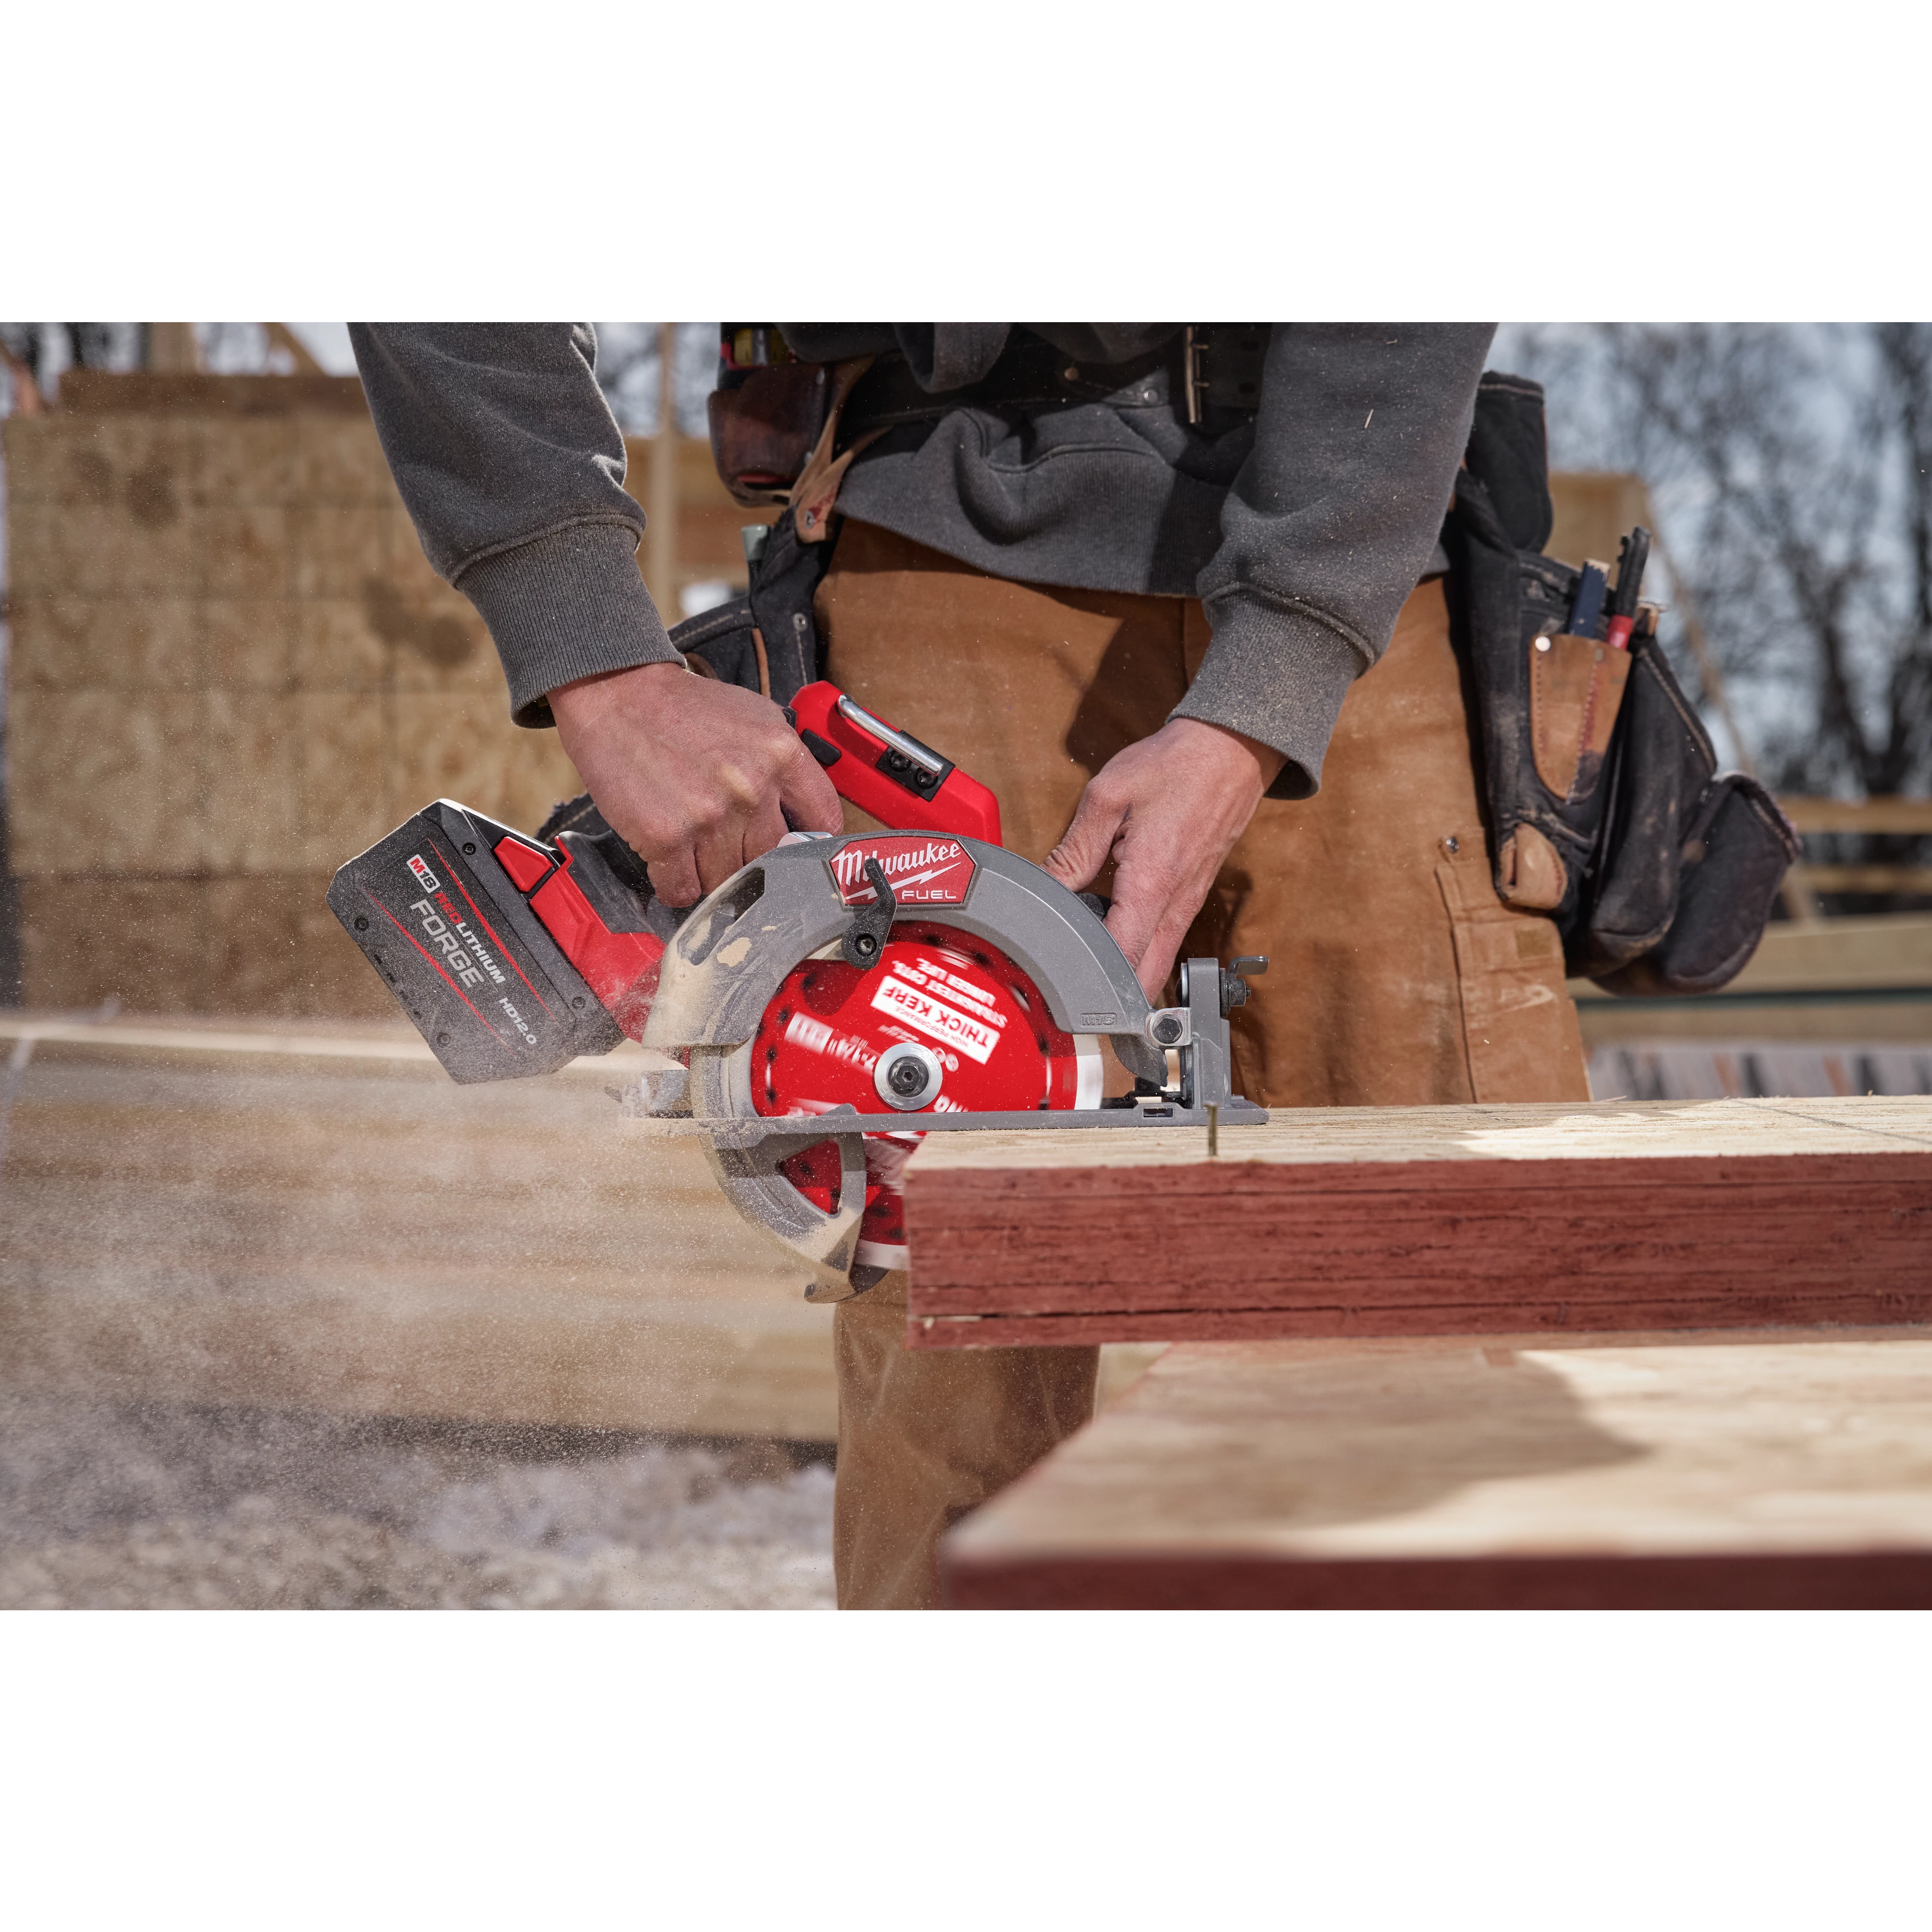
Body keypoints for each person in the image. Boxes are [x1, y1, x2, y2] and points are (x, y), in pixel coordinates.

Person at [349, 321, 1591, 1610]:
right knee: (959, 1410)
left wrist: (1279, 665)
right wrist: (593, 648)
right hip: (945, 524)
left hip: (1367, 561)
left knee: (1432, 1326)